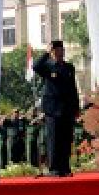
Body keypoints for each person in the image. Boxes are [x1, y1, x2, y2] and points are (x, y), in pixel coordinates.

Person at [33, 39, 81, 177]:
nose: (61, 53)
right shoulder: (47, 66)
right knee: (54, 139)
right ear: (53, 52)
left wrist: (76, 107)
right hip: (52, 109)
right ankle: (54, 168)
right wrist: (46, 53)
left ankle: (65, 167)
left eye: (62, 50)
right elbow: (36, 66)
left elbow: (73, 88)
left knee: (66, 139)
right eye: (57, 50)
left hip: (67, 109)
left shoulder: (69, 67)